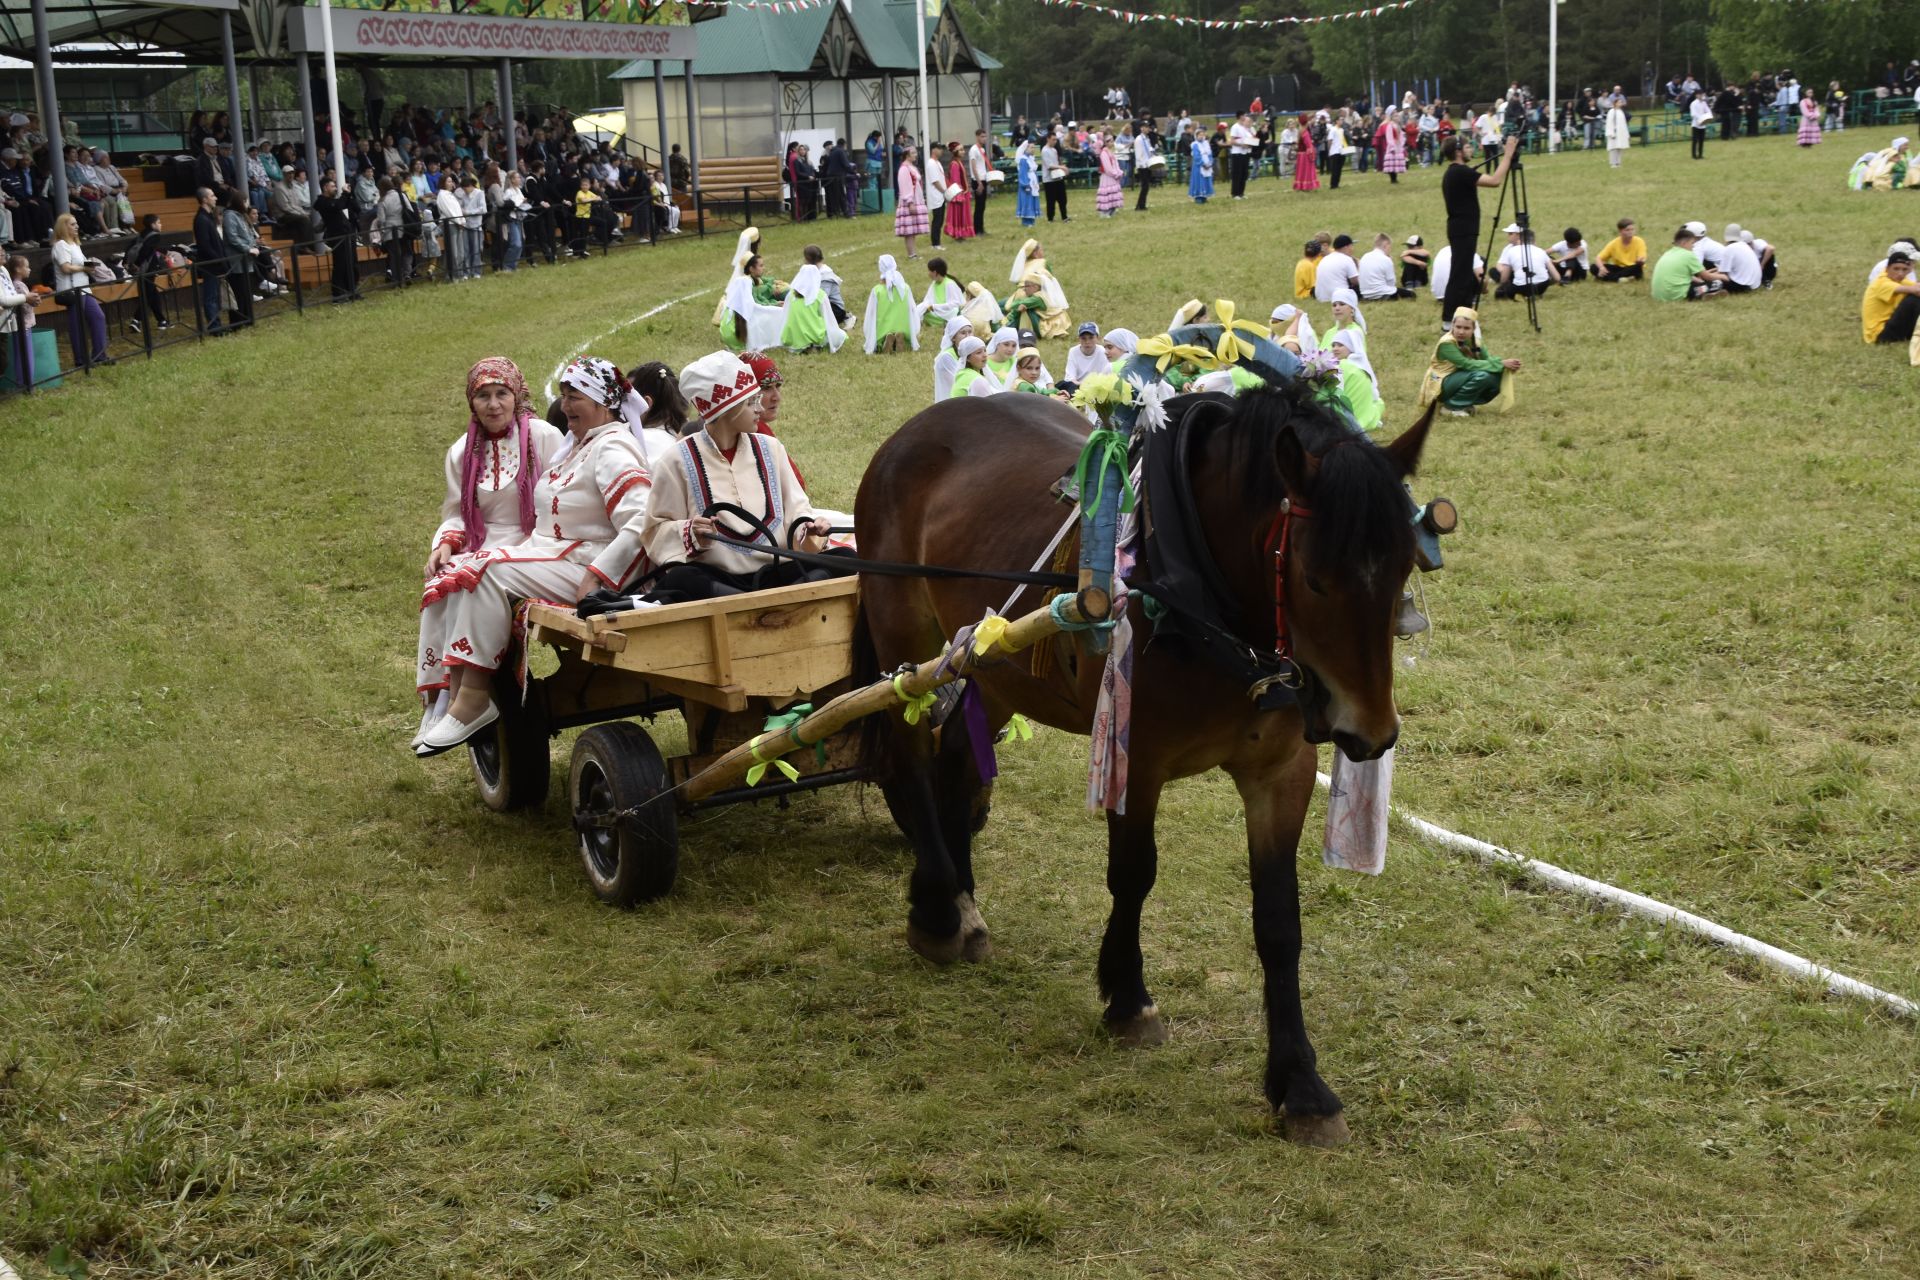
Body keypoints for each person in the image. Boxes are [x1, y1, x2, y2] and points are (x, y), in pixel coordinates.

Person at [415, 356, 653, 755]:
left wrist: (598, 576)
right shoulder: (580, 444)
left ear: (603, 403)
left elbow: (641, 521)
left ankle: (473, 699)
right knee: (465, 567)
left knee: (486, 570)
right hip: (557, 554)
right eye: (563, 395)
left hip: (586, 564)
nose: (564, 406)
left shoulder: (610, 446)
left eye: (574, 397)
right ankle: (450, 698)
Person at [412, 357, 567, 744]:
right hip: (483, 541)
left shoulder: (545, 437)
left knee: (471, 575)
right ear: (472, 402)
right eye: (483, 396)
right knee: (442, 581)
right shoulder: (461, 452)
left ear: (517, 396)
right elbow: (456, 514)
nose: (493, 404)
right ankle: (440, 696)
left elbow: (561, 499)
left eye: (501, 394)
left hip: (536, 537)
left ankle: (465, 697)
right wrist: (446, 542)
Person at [639, 350, 842, 604]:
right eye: (750, 402)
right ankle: (771, 603)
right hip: (721, 578)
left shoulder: (771, 448)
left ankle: (762, 603)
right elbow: (655, 530)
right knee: (681, 579)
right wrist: (690, 532)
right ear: (724, 409)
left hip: (777, 572)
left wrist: (808, 528)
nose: (759, 408)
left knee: (847, 558)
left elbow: (797, 510)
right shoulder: (676, 460)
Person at [1440, 133, 1521, 323]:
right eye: (1468, 147)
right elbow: (1495, 181)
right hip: (1464, 229)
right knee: (1459, 275)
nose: (1471, 150)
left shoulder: (1455, 172)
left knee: (1463, 272)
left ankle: (1464, 316)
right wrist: (1507, 156)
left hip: (1461, 229)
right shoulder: (1460, 172)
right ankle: (1449, 320)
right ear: (1458, 151)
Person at [1417, 307, 1519, 417]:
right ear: (1452, 326)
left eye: (1466, 328)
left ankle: (1464, 403)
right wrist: (1500, 364)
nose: (1461, 331)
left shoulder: (1476, 342)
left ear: (1473, 329)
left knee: (1498, 376)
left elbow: (1487, 360)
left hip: (1459, 378)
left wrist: (1507, 367)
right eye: (1458, 327)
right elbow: (1466, 364)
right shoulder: (1446, 343)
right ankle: (1450, 407)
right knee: (1482, 375)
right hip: (1440, 383)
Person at [51, 212, 111, 366]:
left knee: (98, 317)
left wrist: (90, 267)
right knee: (77, 325)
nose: (77, 226)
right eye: (72, 224)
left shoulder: (75, 244)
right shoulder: (60, 245)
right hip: (71, 290)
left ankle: (99, 354)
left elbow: (79, 265)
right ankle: (81, 360)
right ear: (63, 227)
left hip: (84, 289)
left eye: (76, 223)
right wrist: (85, 268)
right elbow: (65, 267)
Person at [777, 248, 847, 354]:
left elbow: (785, 316)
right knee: (839, 334)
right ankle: (812, 344)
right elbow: (828, 318)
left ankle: (803, 344)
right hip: (815, 335)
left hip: (793, 339)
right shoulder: (819, 295)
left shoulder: (791, 295)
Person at [720, 252, 787, 351]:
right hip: (741, 342)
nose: (763, 268)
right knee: (774, 315)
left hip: (730, 341)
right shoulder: (748, 284)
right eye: (761, 265)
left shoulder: (729, 308)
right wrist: (776, 305)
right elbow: (757, 305)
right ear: (751, 269)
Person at [1009, 238, 1071, 337]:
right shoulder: (1043, 262)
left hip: (1017, 294)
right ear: (1035, 253)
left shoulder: (1024, 263)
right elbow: (1049, 277)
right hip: (1028, 294)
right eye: (1041, 250)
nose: (1043, 252)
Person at [315, 175, 361, 302]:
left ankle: (352, 290)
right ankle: (338, 294)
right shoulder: (322, 202)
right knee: (340, 265)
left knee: (352, 264)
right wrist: (344, 194)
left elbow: (355, 207)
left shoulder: (335, 200)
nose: (335, 188)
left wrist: (349, 195)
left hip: (348, 234)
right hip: (337, 236)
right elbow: (337, 206)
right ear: (325, 188)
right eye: (333, 186)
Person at [1326, 328, 1382, 431]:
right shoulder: (1362, 368)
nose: (1335, 349)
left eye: (1340, 345)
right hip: (1364, 420)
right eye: (1333, 345)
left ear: (1351, 347)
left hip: (1345, 420)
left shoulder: (1342, 365)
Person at [1651, 226, 1727, 301]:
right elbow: (1707, 277)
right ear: (1684, 243)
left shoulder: (1668, 253)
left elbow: (1687, 276)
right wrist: (1723, 277)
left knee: (1699, 283)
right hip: (1676, 294)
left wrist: (1701, 281)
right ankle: (1702, 295)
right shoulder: (1688, 255)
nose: (1693, 246)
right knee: (1718, 283)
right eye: (1692, 243)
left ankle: (1706, 294)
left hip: (1658, 295)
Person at [863, 253, 918, 354]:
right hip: (903, 326)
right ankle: (901, 338)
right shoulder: (905, 288)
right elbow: (913, 310)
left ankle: (885, 340)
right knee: (902, 326)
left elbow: (870, 315)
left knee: (881, 331)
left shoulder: (877, 291)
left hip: (882, 329)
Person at [1862, 251, 1920, 344]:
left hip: (1892, 326)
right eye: (1896, 269)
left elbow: (1917, 286)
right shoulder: (1881, 282)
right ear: (1887, 269)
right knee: (1913, 300)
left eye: (1904, 270)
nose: (1900, 273)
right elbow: (1916, 291)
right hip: (1879, 335)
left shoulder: (1900, 280)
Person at [1494, 225, 1558, 299]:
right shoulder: (1540, 251)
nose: (1508, 236)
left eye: (1510, 233)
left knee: (1500, 292)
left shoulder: (1511, 251)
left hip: (1520, 284)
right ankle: (1533, 293)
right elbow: (1557, 278)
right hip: (1541, 286)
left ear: (1519, 236)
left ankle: (1523, 294)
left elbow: (1503, 279)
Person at [894, 143, 929, 259]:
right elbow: (905, 186)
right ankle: (911, 254)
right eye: (913, 153)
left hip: (916, 199)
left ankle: (914, 253)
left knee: (913, 230)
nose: (916, 155)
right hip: (909, 202)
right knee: (909, 231)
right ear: (907, 155)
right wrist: (910, 202)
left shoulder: (911, 167)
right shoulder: (904, 169)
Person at [932, 314, 973, 401]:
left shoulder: (972, 353)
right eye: (963, 333)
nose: (967, 336)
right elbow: (959, 383)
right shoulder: (946, 357)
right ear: (953, 337)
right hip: (952, 402)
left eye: (970, 332)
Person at [1357, 232, 1407, 300]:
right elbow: (1391, 283)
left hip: (1365, 294)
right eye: (1390, 247)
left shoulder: (1364, 256)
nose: (1390, 250)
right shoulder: (1386, 259)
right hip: (1382, 294)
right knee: (1411, 294)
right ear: (1385, 245)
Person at [918, 256, 962, 329]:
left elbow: (955, 304)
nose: (928, 273)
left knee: (953, 312)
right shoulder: (934, 283)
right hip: (937, 311)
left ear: (935, 272)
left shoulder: (949, 284)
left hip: (948, 312)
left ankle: (945, 322)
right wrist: (927, 308)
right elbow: (928, 300)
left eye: (929, 271)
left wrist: (935, 307)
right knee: (922, 310)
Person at [1314, 234, 1360, 303]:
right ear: (1346, 247)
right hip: (1339, 297)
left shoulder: (1325, 258)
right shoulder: (1347, 259)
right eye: (1351, 246)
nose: (1352, 249)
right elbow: (1356, 281)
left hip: (1321, 297)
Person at [1719, 225, 1763, 294]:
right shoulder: (1744, 245)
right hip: (1755, 285)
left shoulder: (1729, 249)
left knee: (1716, 281)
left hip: (1742, 286)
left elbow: (1723, 274)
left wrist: (1707, 275)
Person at [943, 143, 973, 241]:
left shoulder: (959, 162)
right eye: (960, 150)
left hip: (963, 191)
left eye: (963, 149)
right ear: (955, 152)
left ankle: (961, 234)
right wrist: (959, 194)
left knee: (963, 214)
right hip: (958, 192)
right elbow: (955, 181)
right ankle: (958, 234)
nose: (963, 151)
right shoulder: (955, 164)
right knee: (958, 214)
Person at [966, 129, 993, 237]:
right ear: (977, 136)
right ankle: (977, 230)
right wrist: (979, 182)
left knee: (982, 206)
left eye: (985, 136)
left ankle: (981, 228)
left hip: (983, 178)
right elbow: (973, 167)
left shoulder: (982, 149)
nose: (984, 139)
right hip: (977, 180)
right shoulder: (974, 150)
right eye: (982, 136)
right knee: (978, 206)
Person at [1226, 113, 1257, 198]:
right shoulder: (1235, 127)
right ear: (1240, 117)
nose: (1246, 118)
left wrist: (1251, 144)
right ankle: (1235, 193)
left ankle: (1241, 193)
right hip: (1237, 153)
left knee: (1244, 173)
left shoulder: (1246, 128)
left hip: (1245, 153)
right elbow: (1232, 141)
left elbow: (1254, 140)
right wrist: (1242, 145)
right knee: (1237, 174)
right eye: (1244, 116)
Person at [1374, 112, 1407, 183]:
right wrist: (1392, 146)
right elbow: (1389, 137)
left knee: (1396, 163)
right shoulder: (1390, 126)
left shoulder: (1398, 126)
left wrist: (1401, 143)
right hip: (1392, 146)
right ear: (1392, 117)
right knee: (1391, 163)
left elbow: (1401, 135)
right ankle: (1392, 178)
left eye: (1397, 116)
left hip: (1398, 145)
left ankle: (1395, 178)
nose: (1397, 118)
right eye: (1395, 116)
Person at [1013, 140, 1040, 228]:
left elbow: (1033, 171)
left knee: (1032, 200)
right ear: (1026, 148)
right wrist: (1025, 185)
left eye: (1034, 147)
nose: (1033, 149)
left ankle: (1031, 220)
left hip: (1033, 183)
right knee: (1026, 201)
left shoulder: (1031, 159)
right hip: (1027, 184)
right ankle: (1026, 221)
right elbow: (1023, 173)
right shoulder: (1024, 160)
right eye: (1031, 147)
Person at [1133, 123, 1156, 211]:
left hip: (1148, 163)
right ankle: (1139, 206)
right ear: (1141, 128)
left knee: (1146, 186)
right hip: (1143, 165)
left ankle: (1142, 204)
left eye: (1148, 127)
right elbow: (1138, 154)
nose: (1147, 129)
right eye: (1145, 127)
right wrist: (1142, 165)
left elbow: (1149, 149)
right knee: (1144, 186)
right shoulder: (1139, 139)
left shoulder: (1147, 138)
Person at [1293, 114, 1320, 191]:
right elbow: (1309, 145)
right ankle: (1307, 186)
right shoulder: (1305, 132)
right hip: (1305, 154)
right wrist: (1312, 153)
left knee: (1301, 170)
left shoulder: (1300, 130)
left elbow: (1298, 143)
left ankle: (1300, 185)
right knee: (1307, 171)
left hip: (1300, 154)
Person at [1604, 97, 1631, 168]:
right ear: (1615, 103)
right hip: (1614, 133)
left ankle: (1618, 162)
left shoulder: (1621, 111)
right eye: (1619, 102)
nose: (1620, 104)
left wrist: (1626, 134)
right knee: (1613, 148)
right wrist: (1611, 133)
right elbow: (1609, 123)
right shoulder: (1612, 111)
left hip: (1621, 133)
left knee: (1620, 147)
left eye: (1621, 102)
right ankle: (1613, 163)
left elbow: (1624, 124)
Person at [1189, 131, 1215, 204]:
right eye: (1200, 135)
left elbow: (1210, 154)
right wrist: (1203, 164)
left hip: (1207, 164)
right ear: (1196, 136)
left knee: (1206, 180)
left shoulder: (1206, 144)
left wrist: (1210, 163)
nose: (1201, 136)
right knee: (1199, 181)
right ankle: (1198, 198)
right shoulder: (1195, 145)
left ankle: (1205, 196)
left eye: (1203, 135)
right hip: (1199, 167)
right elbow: (1196, 156)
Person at [1689, 90, 1713, 160]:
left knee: (1701, 140)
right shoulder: (1693, 103)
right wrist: (1700, 118)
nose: (1701, 96)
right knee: (1695, 140)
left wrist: (1709, 116)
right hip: (1696, 124)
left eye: (1702, 94)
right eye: (1700, 94)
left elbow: (1708, 110)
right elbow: (1693, 114)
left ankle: (1700, 154)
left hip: (1703, 124)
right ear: (1696, 95)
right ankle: (1694, 155)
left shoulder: (1704, 103)